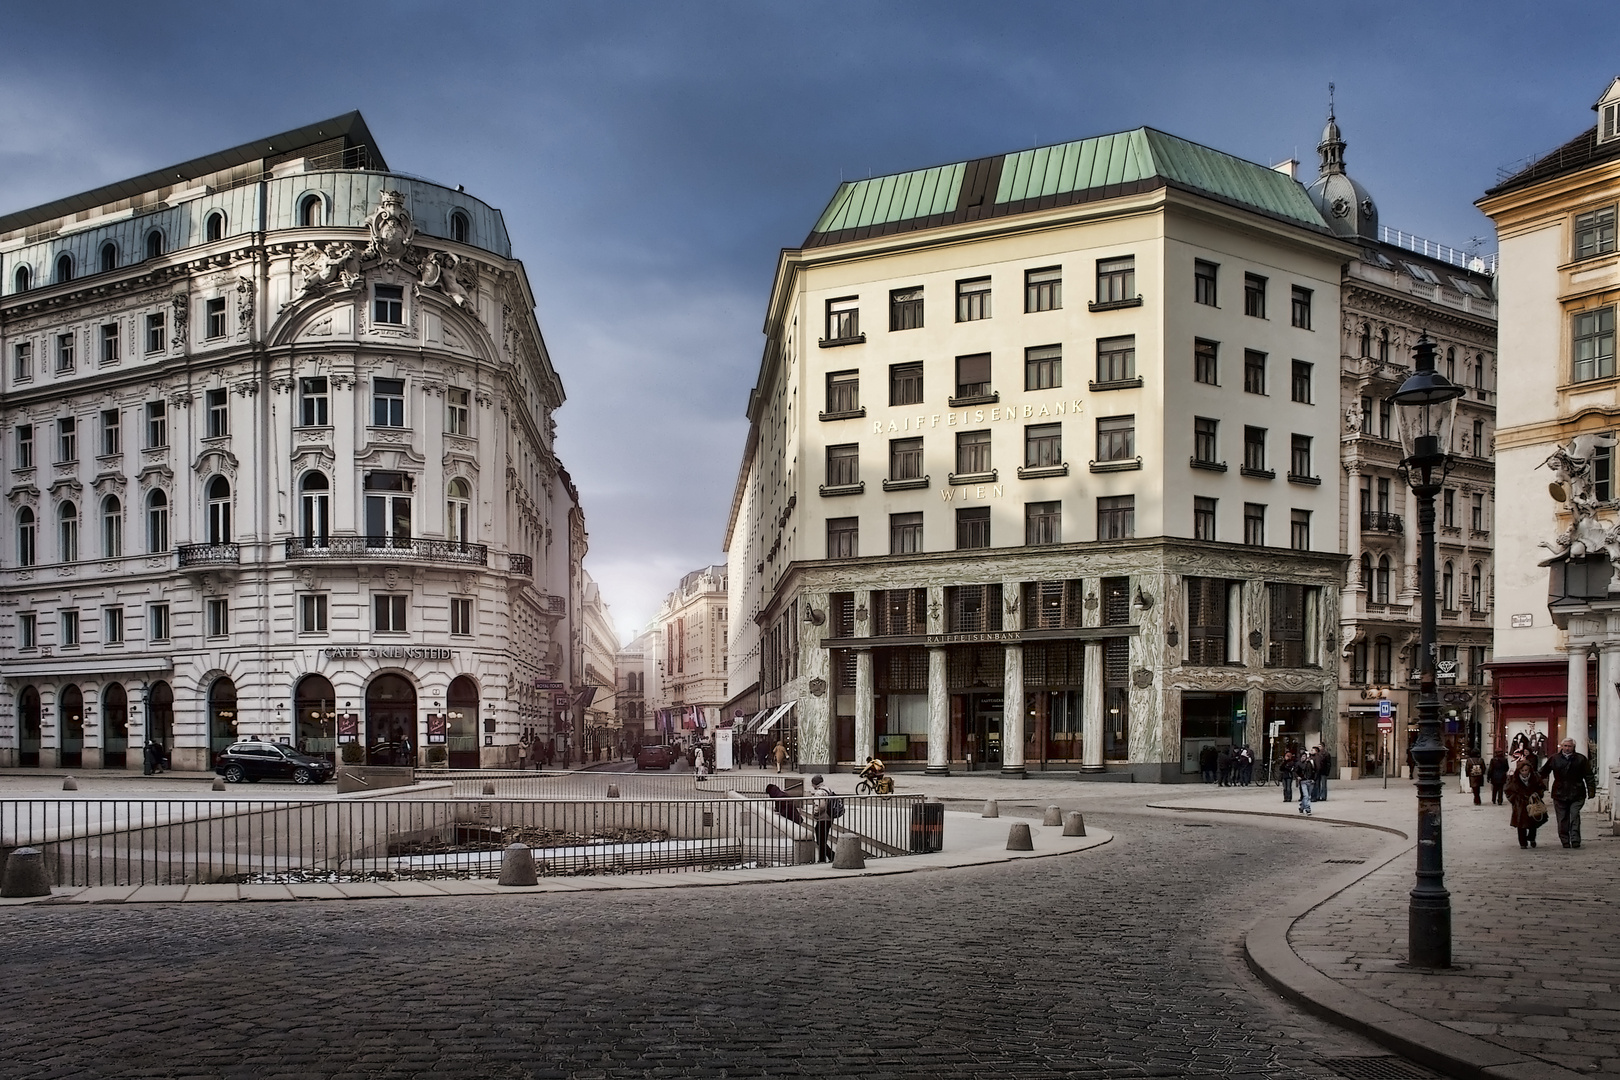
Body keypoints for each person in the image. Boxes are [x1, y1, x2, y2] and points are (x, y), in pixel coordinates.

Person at [1540, 738, 1597, 848]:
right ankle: (1564, 839)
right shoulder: (1554, 759)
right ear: (1561, 746)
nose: (1567, 748)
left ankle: (1575, 839)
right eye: (1565, 746)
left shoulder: (1581, 759)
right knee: (1562, 818)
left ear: (1573, 747)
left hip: (1577, 791)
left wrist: (1591, 790)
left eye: (1569, 746)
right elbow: (1543, 772)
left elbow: (1589, 775)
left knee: (1574, 815)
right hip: (1559, 792)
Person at [1504, 757, 1548, 849]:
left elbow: (1542, 787)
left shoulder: (1535, 777)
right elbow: (1508, 790)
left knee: (1533, 821)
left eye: (1526, 770)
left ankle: (1532, 838)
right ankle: (1523, 843)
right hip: (1520, 803)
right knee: (1521, 824)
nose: (1524, 772)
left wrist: (1537, 794)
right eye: (1522, 770)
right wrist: (1514, 800)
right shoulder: (1514, 779)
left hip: (1533, 802)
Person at [808, 774, 837, 863]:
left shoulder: (819, 793)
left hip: (822, 818)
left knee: (820, 840)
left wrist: (815, 813)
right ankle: (825, 857)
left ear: (815, 783)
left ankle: (831, 856)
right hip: (829, 818)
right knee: (822, 840)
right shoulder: (827, 789)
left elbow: (820, 806)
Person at [1295, 750, 1316, 816]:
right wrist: (1298, 777)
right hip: (1303, 781)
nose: (1304, 757)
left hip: (1310, 781)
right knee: (1306, 796)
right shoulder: (1299, 764)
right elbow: (1295, 772)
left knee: (1307, 796)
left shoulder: (1310, 763)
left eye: (1305, 756)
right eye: (1303, 756)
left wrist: (1313, 779)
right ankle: (1308, 809)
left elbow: (1314, 771)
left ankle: (1302, 807)